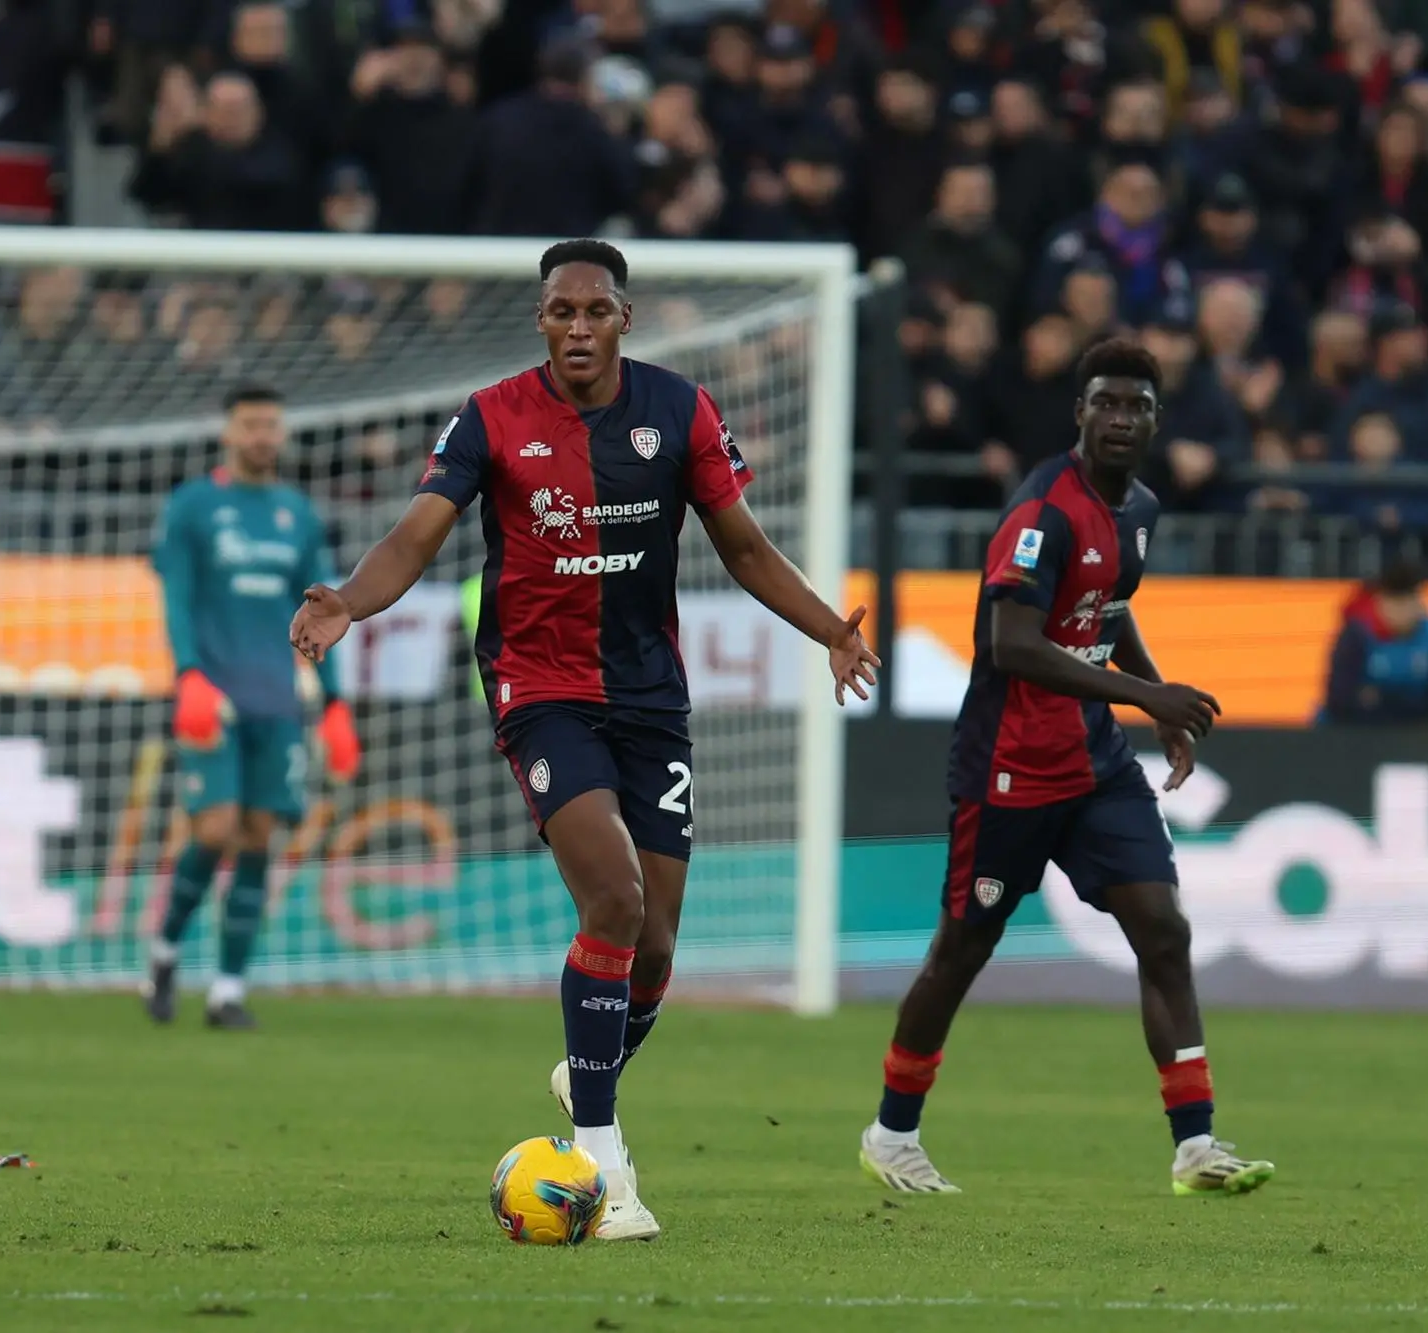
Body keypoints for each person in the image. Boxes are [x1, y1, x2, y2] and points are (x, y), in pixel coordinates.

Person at [287, 239, 878, 1241]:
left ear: (622, 321)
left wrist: (828, 630)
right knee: (612, 895)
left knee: (652, 950)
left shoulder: (679, 411)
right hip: (539, 690)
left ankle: (585, 1066)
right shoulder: (490, 418)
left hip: (650, 698)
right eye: (558, 311)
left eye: (593, 311)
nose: (575, 327)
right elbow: (415, 535)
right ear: (540, 321)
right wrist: (349, 600)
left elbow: (741, 545)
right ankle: (605, 1167)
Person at [856, 338, 1275, 1198]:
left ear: (1156, 421)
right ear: (1079, 412)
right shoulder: (1041, 513)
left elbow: (1107, 612)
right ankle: (892, 1132)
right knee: (961, 951)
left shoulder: (1142, 510)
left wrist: (1156, 701)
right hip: (1007, 770)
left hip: (1094, 762)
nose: (1120, 418)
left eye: (1137, 406)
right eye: (1105, 402)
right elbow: (1012, 643)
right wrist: (1142, 695)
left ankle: (1195, 1143)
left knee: (1164, 928)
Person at [146, 385, 360, 1030]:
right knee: (212, 831)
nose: (263, 434)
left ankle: (228, 990)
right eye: (251, 424)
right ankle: (164, 948)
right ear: (228, 434)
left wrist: (336, 704)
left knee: (259, 839)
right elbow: (177, 599)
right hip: (213, 696)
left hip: (277, 698)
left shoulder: (296, 513)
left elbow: (327, 612)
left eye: (272, 423)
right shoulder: (193, 507)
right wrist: (187, 676)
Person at [1317, 558, 1428, 726]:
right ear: (1380, 602)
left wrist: (1378, 697)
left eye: (1408, 602)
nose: (1403, 612)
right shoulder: (1358, 634)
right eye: (1396, 603)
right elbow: (1339, 699)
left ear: (1421, 603)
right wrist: (1409, 699)